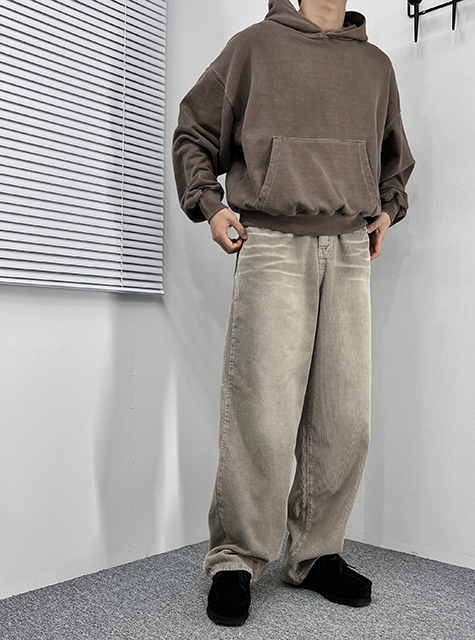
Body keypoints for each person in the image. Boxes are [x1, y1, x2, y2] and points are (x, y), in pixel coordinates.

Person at [172, 0, 415, 627]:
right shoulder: (253, 47)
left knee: (344, 414)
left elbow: (395, 160)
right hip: (273, 242)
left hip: (350, 246)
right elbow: (194, 130)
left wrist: (388, 210)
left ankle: (314, 554)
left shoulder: (375, 66)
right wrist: (209, 204)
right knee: (261, 409)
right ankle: (235, 558)